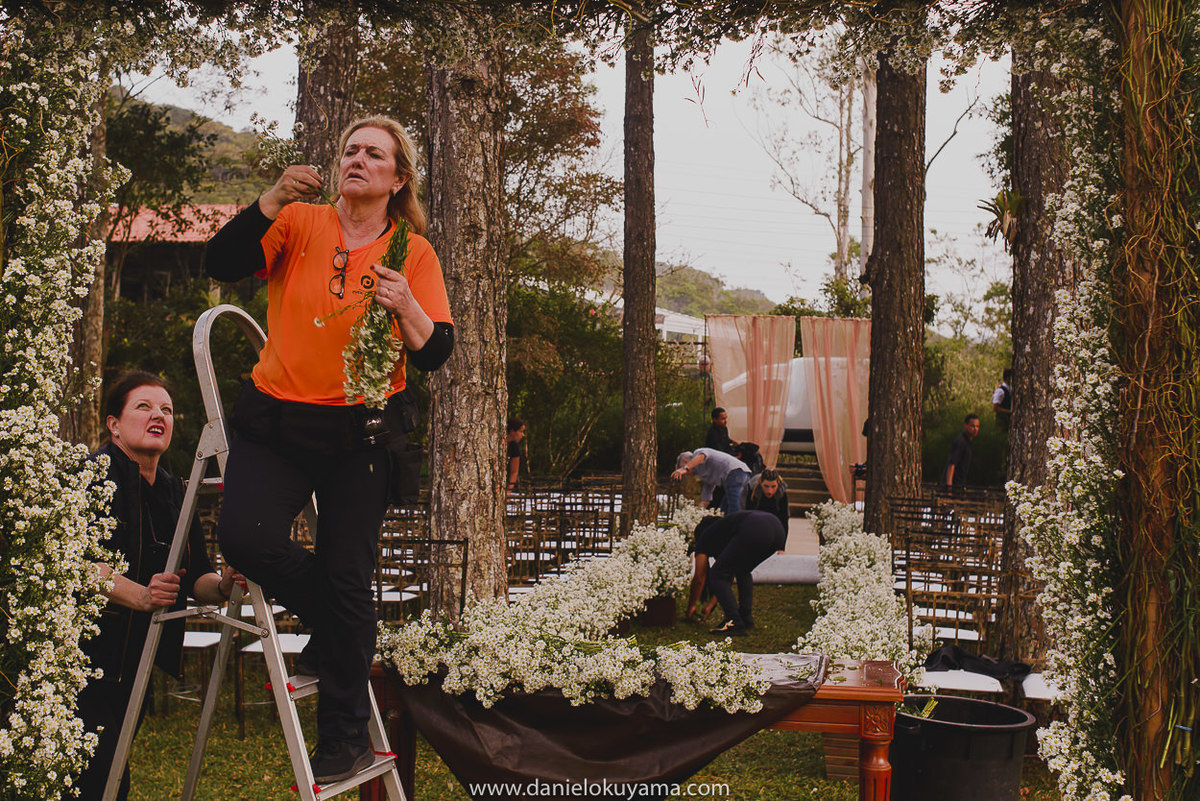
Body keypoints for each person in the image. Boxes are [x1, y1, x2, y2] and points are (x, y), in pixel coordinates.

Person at [203, 116, 454, 784]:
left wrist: (408, 309)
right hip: (279, 421)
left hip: (360, 436)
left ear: (398, 178)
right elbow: (221, 264)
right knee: (248, 538)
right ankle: (338, 621)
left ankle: (343, 738)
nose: (358, 159)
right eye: (350, 149)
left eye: (375, 153)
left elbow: (435, 353)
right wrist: (269, 201)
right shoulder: (300, 221)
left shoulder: (414, 253)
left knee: (348, 574)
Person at [78, 372, 240, 801]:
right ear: (114, 424)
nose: (158, 415)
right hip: (82, 660)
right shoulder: (90, 477)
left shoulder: (175, 491)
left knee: (114, 773)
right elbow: (72, 561)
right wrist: (141, 596)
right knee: (96, 780)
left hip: (136, 663)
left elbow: (197, 578)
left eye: (166, 409)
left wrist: (224, 584)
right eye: (144, 406)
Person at [685, 511, 787, 636]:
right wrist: (711, 604)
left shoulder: (705, 535)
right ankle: (745, 619)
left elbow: (699, 577)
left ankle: (734, 622)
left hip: (756, 528)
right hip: (777, 528)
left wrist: (691, 607)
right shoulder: (726, 530)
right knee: (743, 570)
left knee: (716, 574)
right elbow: (728, 575)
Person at [672, 448, 752, 514]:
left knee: (733, 507)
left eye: (686, 472)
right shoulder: (703, 474)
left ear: (686, 462)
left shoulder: (698, 453)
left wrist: (685, 468)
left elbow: (703, 456)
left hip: (735, 472)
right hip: (741, 475)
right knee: (722, 511)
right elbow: (706, 500)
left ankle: (736, 529)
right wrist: (695, 515)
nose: (687, 474)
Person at [942, 414, 981, 489]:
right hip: (954, 486)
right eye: (972, 426)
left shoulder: (968, 442)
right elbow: (952, 464)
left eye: (977, 426)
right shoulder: (960, 442)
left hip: (960, 485)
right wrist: (949, 487)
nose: (975, 429)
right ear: (966, 426)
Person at [505, 417, 525, 495]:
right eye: (521, 431)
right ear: (512, 431)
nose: (522, 435)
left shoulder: (514, 446)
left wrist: (508, 491)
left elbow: (514, 471)